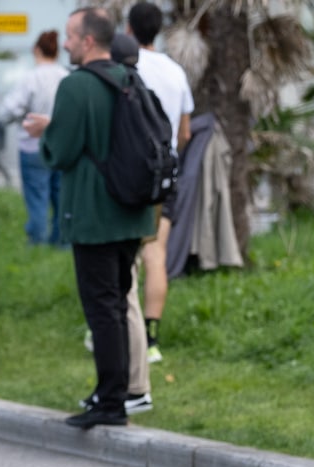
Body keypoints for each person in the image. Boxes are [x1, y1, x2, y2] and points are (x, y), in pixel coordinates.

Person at [23, 7, 154, 428]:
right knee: (118, 304)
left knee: (102, 311)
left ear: (88, 41)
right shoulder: (129, 78)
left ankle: (110, 401)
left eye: (70, 36)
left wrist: (47, 132)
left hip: (94, 215)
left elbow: (60, 153)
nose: (64, 44)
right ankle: (114, 393)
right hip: (132, 212)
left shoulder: (76, 85)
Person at [128, 0, 194, 364]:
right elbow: (184, 132)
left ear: (128, 29)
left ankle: (121, 330)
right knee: (156, 254)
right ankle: (151, 339)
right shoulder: (175, 72)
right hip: (164, 176)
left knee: (123, 255)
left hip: (126, 175)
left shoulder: (124, 67)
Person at [0, 30, 69, 246]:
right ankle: (61, 242)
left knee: (37, 198)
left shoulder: (30, 78)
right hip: (61, 146)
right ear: (57, 52)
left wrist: (20, 116)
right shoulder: (66, 76)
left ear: (36, 50)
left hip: (33, 147)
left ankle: (38, 242)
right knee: (61, 197)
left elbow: (8, 110)